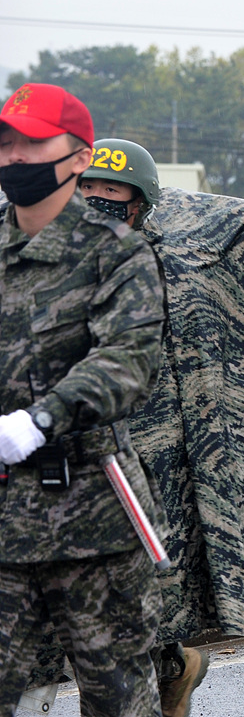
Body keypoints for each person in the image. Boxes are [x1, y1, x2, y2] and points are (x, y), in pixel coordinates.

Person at [20, 139, 244, 717]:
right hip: (64, 459)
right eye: (89, 189)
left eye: (113, 190)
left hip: (155, 462)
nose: (99, 199)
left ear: (140, 199)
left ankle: (161, 677)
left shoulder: (176, 263)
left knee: (137, 600)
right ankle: (168, 671)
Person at [0, 84, 167, 716]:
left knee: (117, 698)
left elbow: (126, 361)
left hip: (90, 518)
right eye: (6, 142)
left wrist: (43, 419)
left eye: (32, 142)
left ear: (78, 157)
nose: (15, 156)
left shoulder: (115, 254)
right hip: (2, 519)